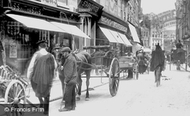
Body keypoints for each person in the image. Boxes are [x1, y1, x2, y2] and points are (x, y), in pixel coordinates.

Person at [27, 40, 57, 114]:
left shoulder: (36, 55)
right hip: (48, 79)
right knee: (47, 94)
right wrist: (54, 77)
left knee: (38, 91)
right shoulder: (51, 56)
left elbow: (31, 67)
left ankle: (41, 102)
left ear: (39, 47)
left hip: (37, 78)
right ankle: (46, 112)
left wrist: (29, 77)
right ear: (46, 47)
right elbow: (55, 66)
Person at [58, 47, 78, 112]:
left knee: (67, 93)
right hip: (74, 78)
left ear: (67, 52)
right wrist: (63, 67)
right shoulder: (71, 58)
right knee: (72, 93)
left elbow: (69, 72)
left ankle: (67, 107)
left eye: (64, 53)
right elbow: (68, 68)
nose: (63, 54)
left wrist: (66, 80)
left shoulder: (69, 59)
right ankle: (72, 106)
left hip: (70, 79)